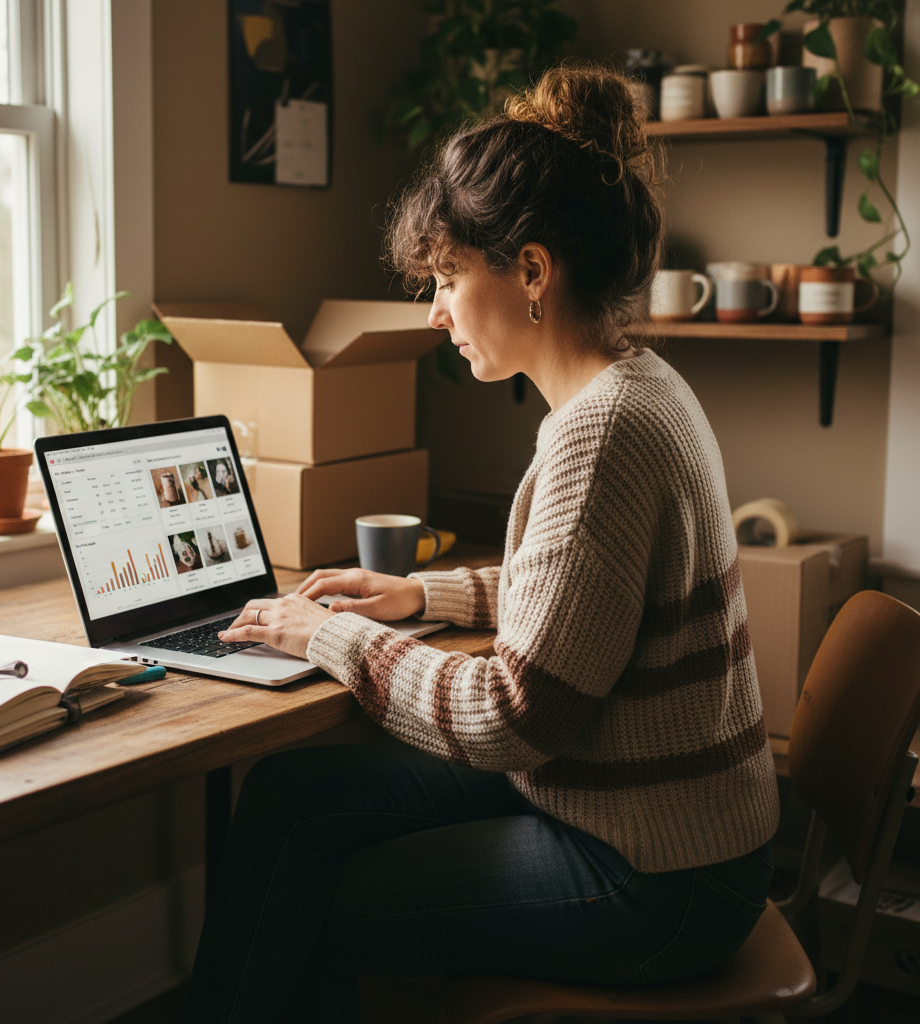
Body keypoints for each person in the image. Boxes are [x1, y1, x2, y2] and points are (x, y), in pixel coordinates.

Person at [179, 63, 780, 1023]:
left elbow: (513, 717)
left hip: (660, 880)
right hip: (656, 827)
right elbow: (591, 595)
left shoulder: (602, 432)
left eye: (450, 278)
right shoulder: (638, 385)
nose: (435, 312)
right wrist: (429, 598)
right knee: (293, 798)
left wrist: (324, 636)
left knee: (320, 895)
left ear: (532, 271)